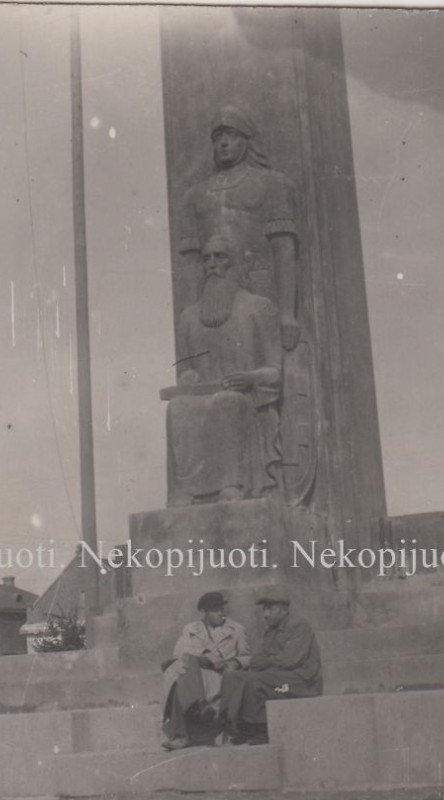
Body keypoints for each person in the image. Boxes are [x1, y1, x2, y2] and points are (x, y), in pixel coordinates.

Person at [165, 234, 283, 505]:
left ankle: (233, 485)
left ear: (236, 263)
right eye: (206, 258)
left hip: (248, 400)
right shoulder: (189, 318)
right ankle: (189, 491)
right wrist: (188, 377)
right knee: (178, 408)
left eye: (220, 257)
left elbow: (275, 372)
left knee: (227, 402)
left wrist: (251, 377)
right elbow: (185, 370)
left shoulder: (257, 308)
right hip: (202, 397)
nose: (212, 264)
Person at [178, 106, 301, 353]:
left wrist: (287, 315)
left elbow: (283, 251)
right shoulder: (195, 196)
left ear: (246, 139)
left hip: (260, 285)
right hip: (212, 294)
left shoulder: (272, 184)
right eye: (217, 137)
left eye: (231, 135)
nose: (223, 143)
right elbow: (191, 263)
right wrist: (190, 317)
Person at [220, 588, 322, 745]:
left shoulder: (299, 625)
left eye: (270, 609)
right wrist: (259, 661)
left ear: (284, 610)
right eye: (264, 610)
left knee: (254, 681)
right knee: (232, 676)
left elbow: (289, 660)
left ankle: (260, 729)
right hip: (280, 677)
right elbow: (261, 657)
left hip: (301, 682)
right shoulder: (271, 631)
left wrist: (263, 662)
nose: (265, 614)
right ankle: (228, 722)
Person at [161, 591, 251, 751]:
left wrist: (236, 662)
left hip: (219, 677)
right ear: (204, 612)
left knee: (182, 680)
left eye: (221, 609)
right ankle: (200, 706)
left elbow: (247, 656)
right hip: (196, 676)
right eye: (215, 610)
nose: (220, 613)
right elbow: (178, 652)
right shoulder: (190, 629)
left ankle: (182, 735)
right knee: (184, 670)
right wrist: (204, 653)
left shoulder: (236, 629)